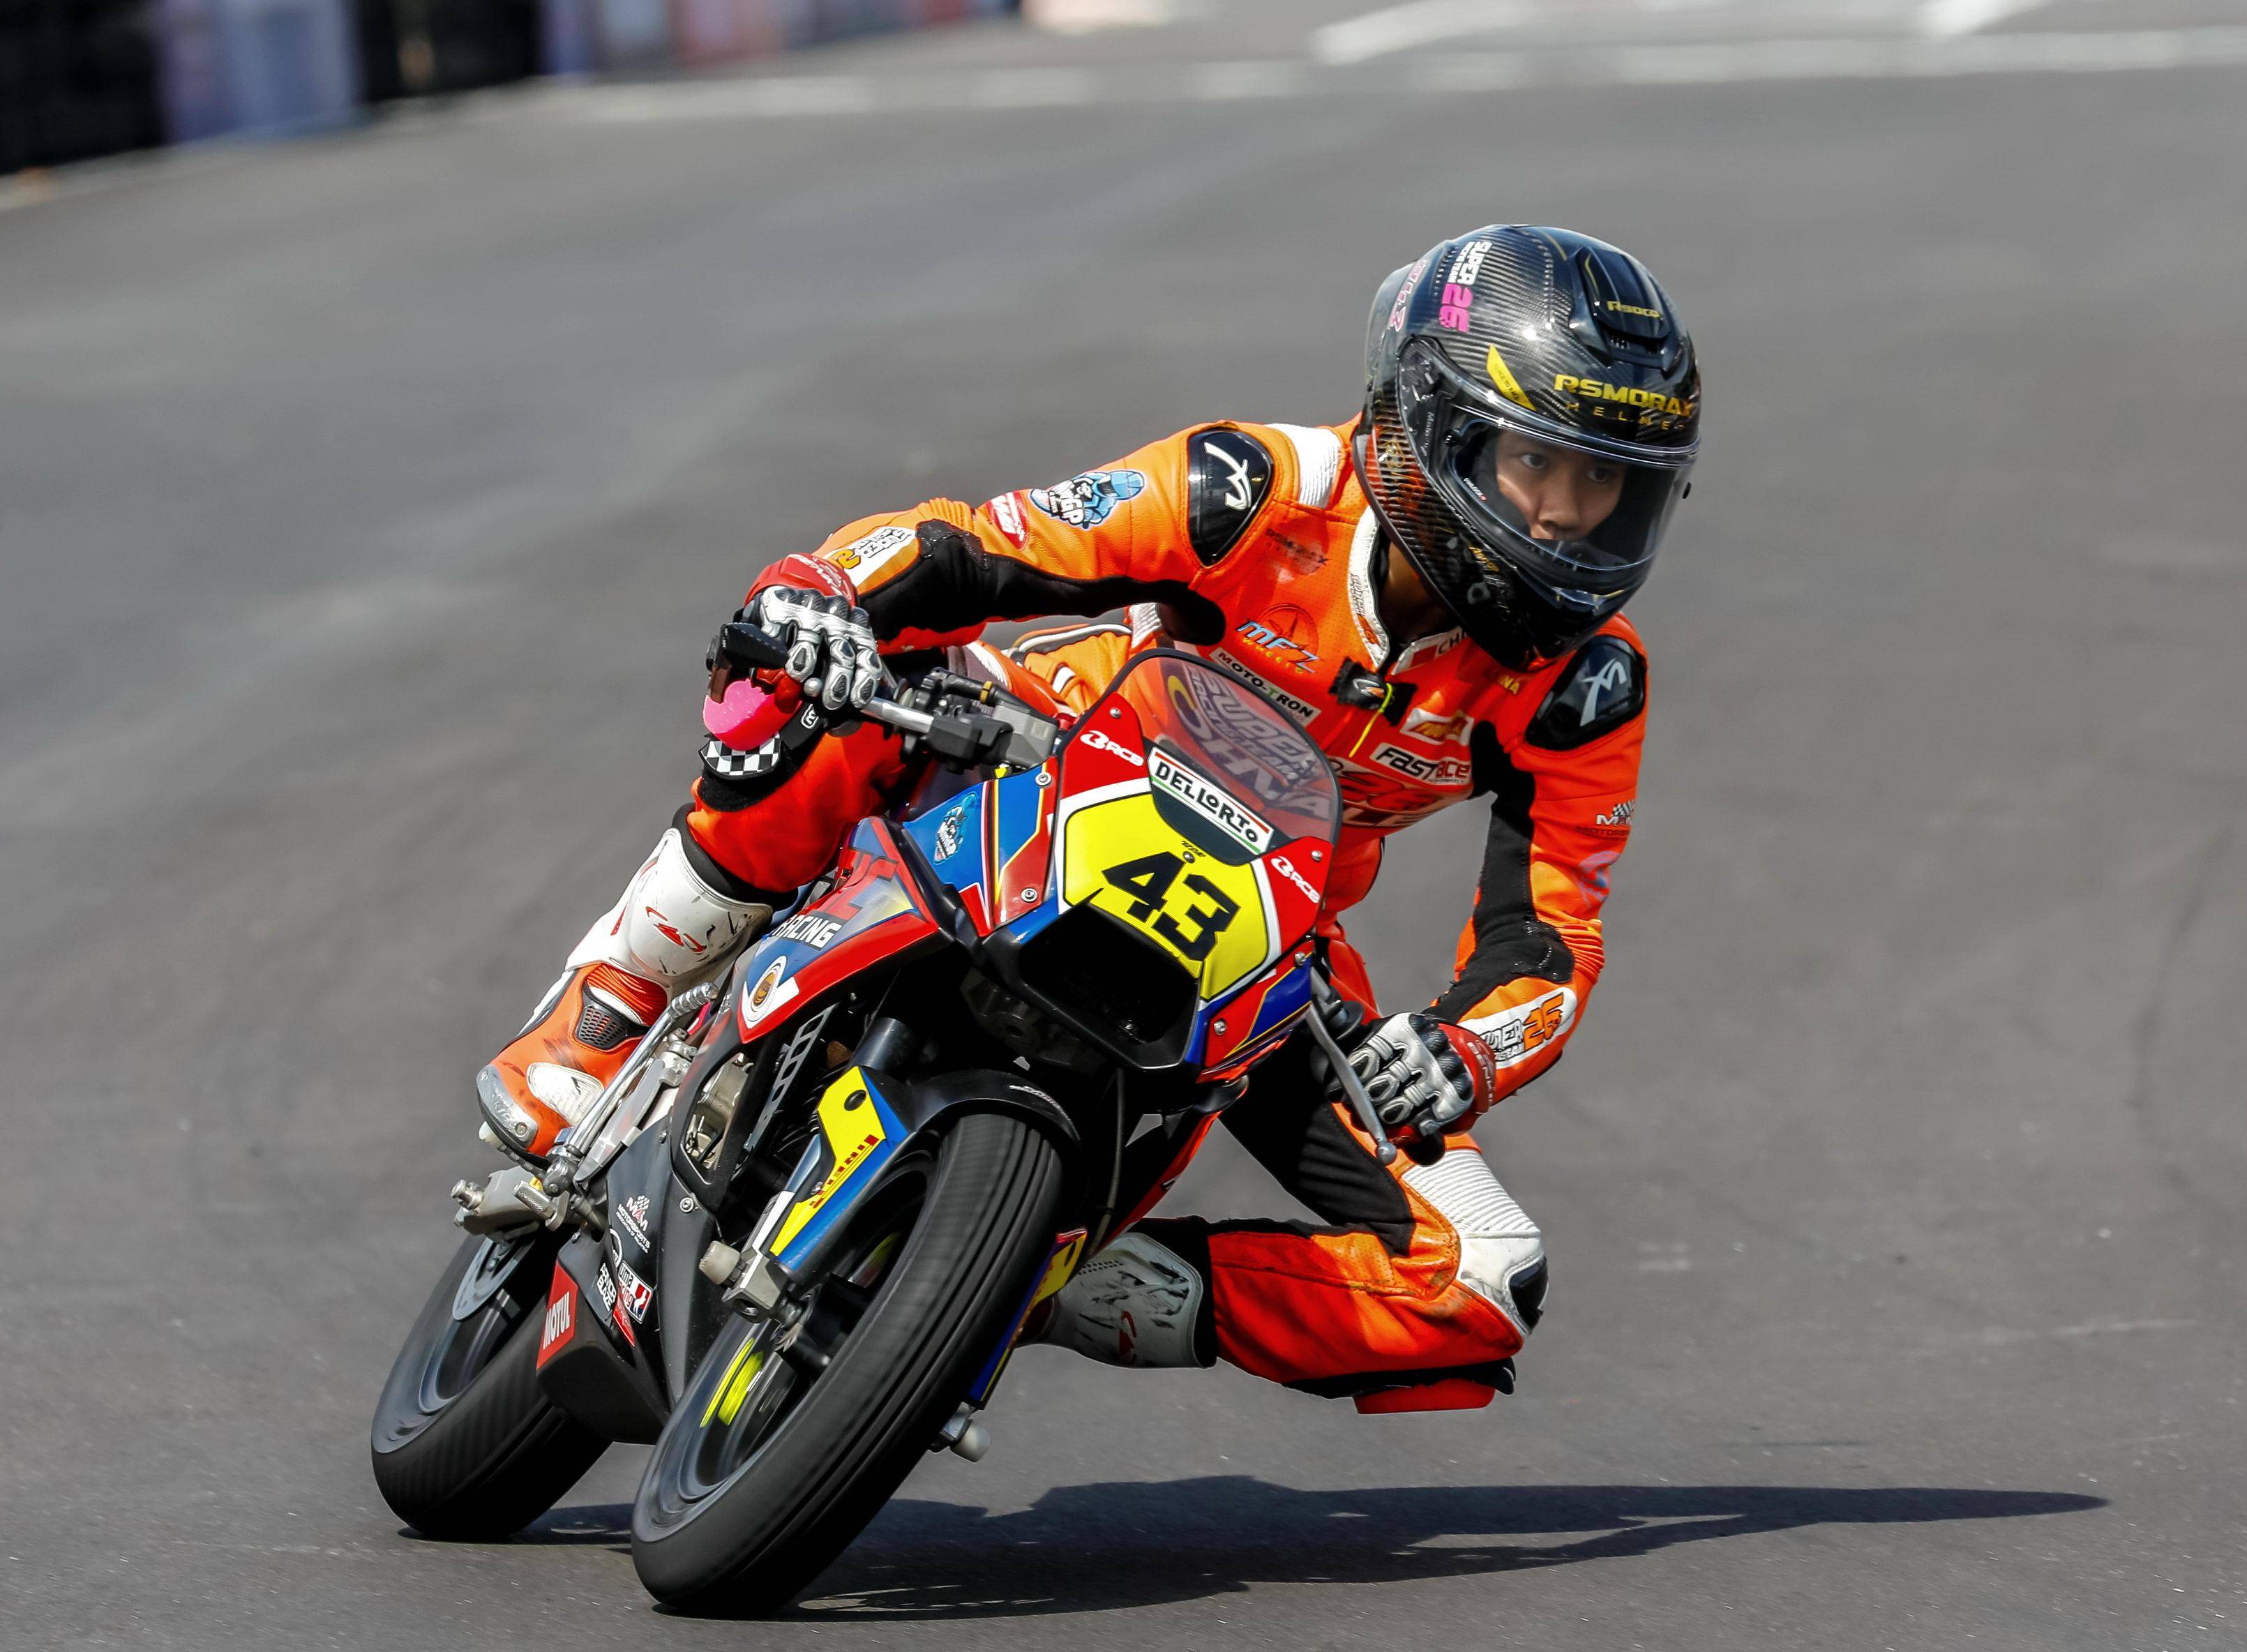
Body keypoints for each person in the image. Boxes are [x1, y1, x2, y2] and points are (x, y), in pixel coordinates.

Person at [477, 224, 1701, 1409]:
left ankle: (1041, 1280)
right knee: (832, 689)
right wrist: (829, 588)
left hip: (1262, 946)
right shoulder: (1256, 488)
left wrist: (1463, 1049)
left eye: (1606, 483)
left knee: (1485, 1278)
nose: (1566, 517)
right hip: (1042, 763)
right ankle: (604, 1012)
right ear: (1430, 425)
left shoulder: (1586, 686)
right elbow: (986, 545)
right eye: (1537, 465)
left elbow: (1550, 935)